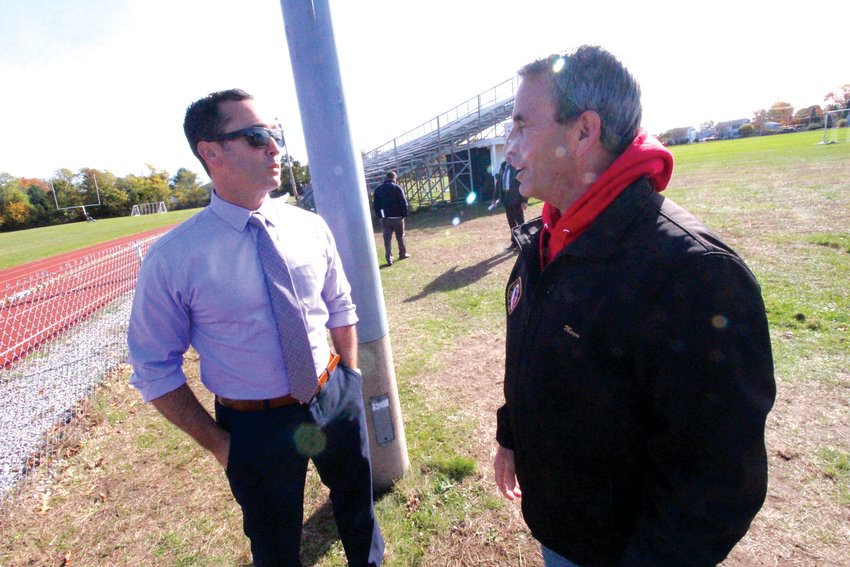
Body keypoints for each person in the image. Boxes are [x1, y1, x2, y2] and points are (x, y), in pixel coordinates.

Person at [493, 46, 775, 566]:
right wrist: (511, 435)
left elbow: (716, 481)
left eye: (521, 126)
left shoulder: (692, 274)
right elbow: (530, 352)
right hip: (562, 530)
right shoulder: (545, 240)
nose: (509, 148)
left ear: (584, 132)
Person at [127, 88, 384, 567]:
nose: (275, 147)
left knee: (358, 512)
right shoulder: (175, 258)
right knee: (274, 545)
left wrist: (348, 379)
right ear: (211, 153)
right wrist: (222, 446)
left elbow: (340, 305)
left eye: (276, 134)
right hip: (253, 425)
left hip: (333, 397)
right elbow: (153, 368)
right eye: (256, 136)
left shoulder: (309, 226)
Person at [372, 171, 409, 266]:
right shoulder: (397, 188)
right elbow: (403, 202)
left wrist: (380, 217)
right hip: (397, 217)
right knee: (400, 237)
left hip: (385, 218)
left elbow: (375, 205)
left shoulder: (378, 189)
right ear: (394, 178)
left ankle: (389, 258)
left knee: (387, 239)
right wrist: (404, 214)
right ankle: (402, 253)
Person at [491, 159, 528, 249]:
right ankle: (515, 242)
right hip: (506, 199)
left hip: (517, 198)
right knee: (511, 222)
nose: (508, 157)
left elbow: (524, 183)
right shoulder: (503, 167)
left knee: (520, 222)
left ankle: (524, 243)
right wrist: (495, 198)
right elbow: (498, 183)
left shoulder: (518, 166)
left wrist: (524, 200)